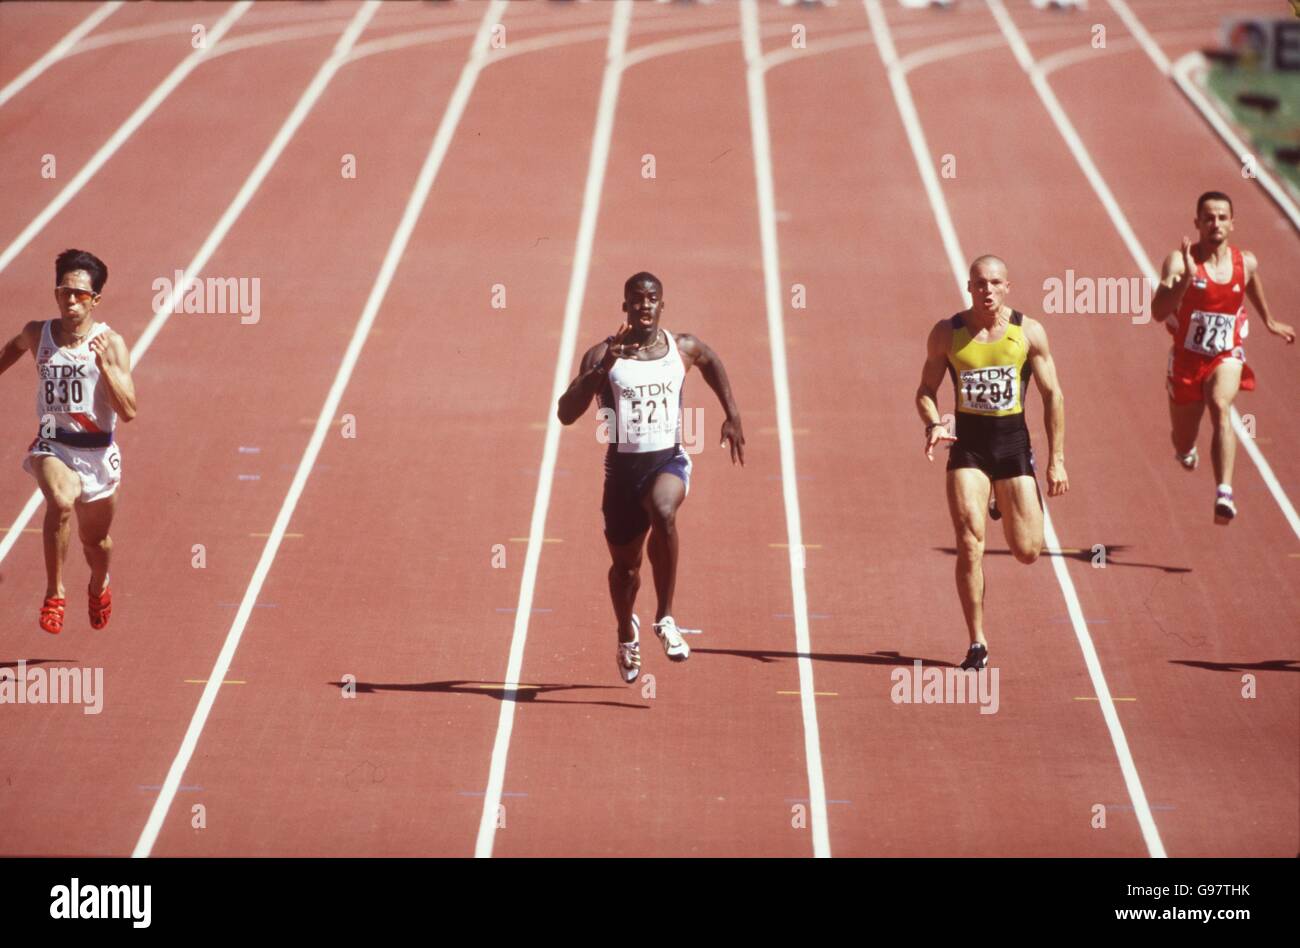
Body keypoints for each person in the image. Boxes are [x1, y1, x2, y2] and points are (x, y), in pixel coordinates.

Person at [557, 272, 744, 683]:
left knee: (664, 511)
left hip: (668, 461)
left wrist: (732, 414)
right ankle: (627, 632)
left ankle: (665, 618)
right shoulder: (602, 355)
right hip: (622, 475)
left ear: (663, 305)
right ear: (624, 306)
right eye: (636, 300)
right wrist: (600, 371)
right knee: (625, 571)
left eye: (652, 299)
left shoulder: (681, 348)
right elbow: (565, 413)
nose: (644, 306)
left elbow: (711, 361)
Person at [917, 255, 1068, 670]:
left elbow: (1053, 395)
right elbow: (925, 390)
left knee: (1027, 551)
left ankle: (1003, 498)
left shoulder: (1029, 332)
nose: (987, 291)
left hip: (1013, 448)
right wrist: (933, 423)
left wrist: (1056, 460)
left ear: (1007, 287)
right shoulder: (947, 334)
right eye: (980, 283)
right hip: (968, 448)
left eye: (995, 283)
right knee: (969, 543)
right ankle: (977, 641)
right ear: (969, 287)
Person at [0, 249, 137, 634]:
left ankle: (98, 584)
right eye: (65, 292)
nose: (71, 300)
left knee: (97, 543)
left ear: (96, 300)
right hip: (51, 443)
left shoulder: (110, 344)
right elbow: (10, 350)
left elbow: (128, 411)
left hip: (98, 451)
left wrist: (105, 369)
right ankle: (54, 592)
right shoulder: (37, 333)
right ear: (56, 293)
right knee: (60, 501)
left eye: (80, 294)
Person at [1151, 191, 1294, 523]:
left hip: (1225, 355)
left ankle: (1224, 493)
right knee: (1182, 439)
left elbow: (1250, 280)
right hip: (1187, 360)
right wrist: (1186, 279)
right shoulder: (1179, 261)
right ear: (1197, 223)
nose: (1215, 223)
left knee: (1220, 404)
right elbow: (1158, 312)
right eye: (1209, 217)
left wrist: (1268, 319)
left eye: (1222, 217)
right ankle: (1186, 450)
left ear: (1232, 223)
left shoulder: (1246, 261)